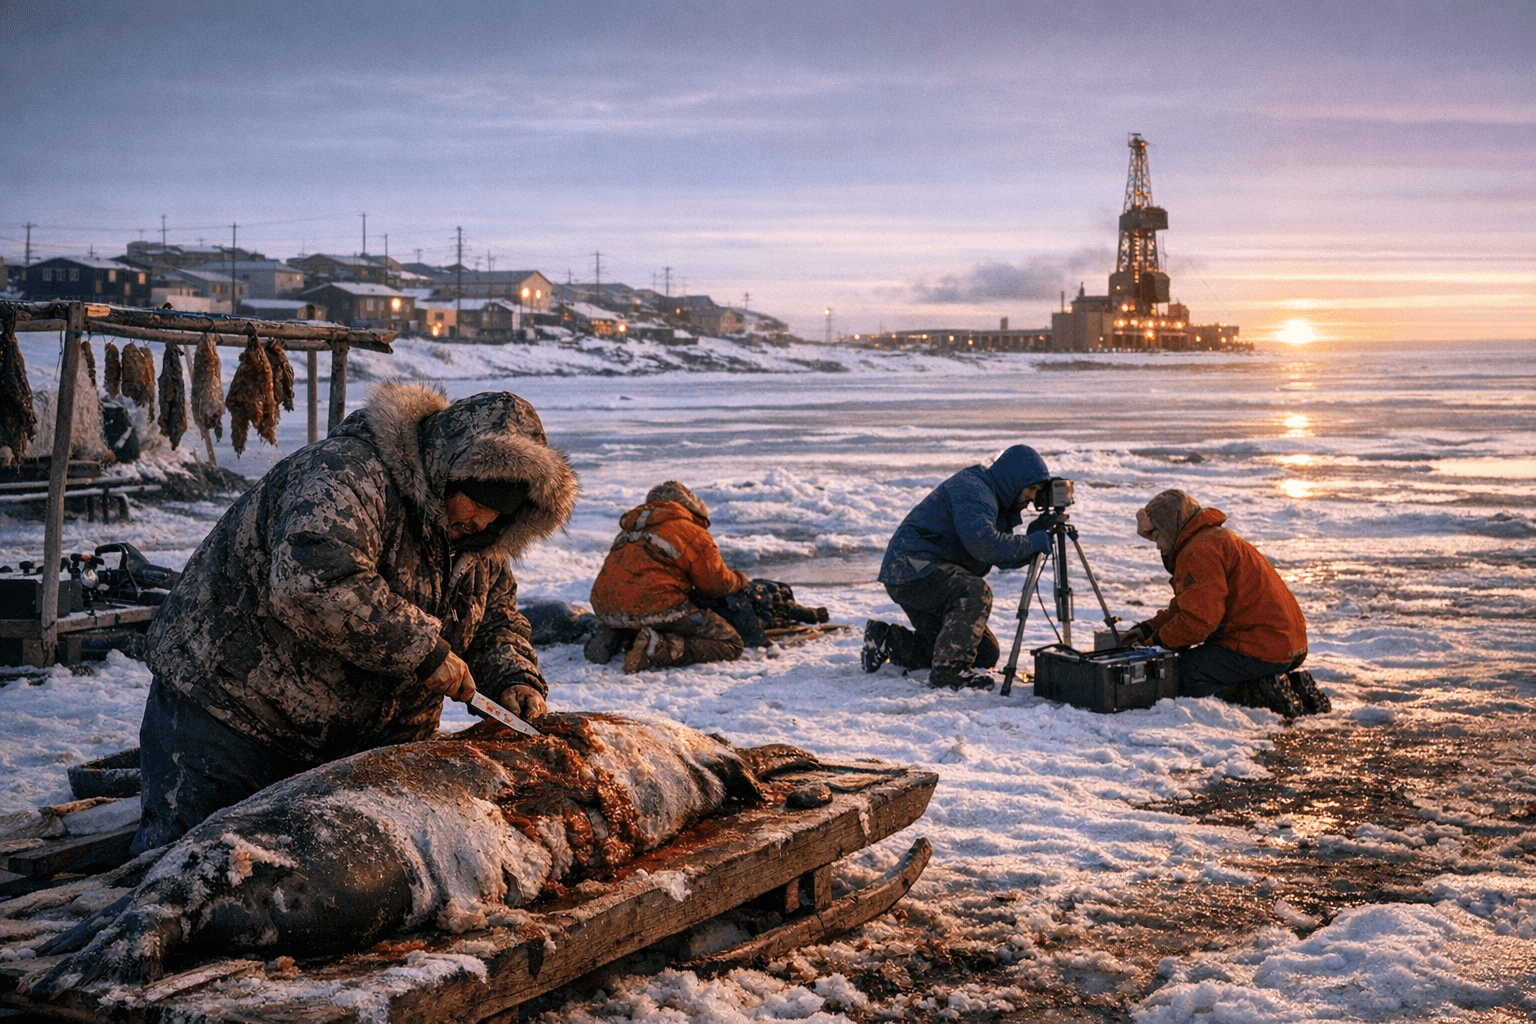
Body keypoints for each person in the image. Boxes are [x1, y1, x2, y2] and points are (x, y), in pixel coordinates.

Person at [132, 383, 579, 853]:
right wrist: (424, 651)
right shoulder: (348, 473)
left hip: (355, 750)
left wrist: (513, 677)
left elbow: (494, 619)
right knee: (187, 870)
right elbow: (313, 582)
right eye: (479, 500)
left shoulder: (479, 540)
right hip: (234, 720)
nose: (484, 521)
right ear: (447, 470)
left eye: (501, 512)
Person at [862, 444, 1055, 690]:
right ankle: (949, 673)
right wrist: (1029, 543)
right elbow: (985, 546)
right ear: (1013, 481)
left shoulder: (994, 499)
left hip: (920, 572)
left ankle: (888, 640)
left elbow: (999, 556)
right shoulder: (973, 490)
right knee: (974, 592)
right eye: (1031, 489)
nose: (1032, 497)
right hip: (913, 567)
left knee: (984, 654)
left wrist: (1032, 540)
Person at [1122, 489, 1310, 705]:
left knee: (1183, 676)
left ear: (1169, 527)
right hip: (1287, 643)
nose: (1157, 546)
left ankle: (1262, 694)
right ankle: (1285, 684)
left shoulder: (1198, 551)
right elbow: (1187, 607)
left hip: (1262, 646)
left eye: (1157, 536)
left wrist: (1157, 643)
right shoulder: (1212, 539)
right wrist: (1147, 629)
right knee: (1196, 662)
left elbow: (1199, 621)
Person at [585, 481, 750, 672]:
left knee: (638, 613)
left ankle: (619, 634)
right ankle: (657, 647)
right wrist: (739, 580)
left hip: (606, 607)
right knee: (731, 642)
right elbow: (716, 585)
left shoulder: (628, 530)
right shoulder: (691, 532)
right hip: (655, 605)